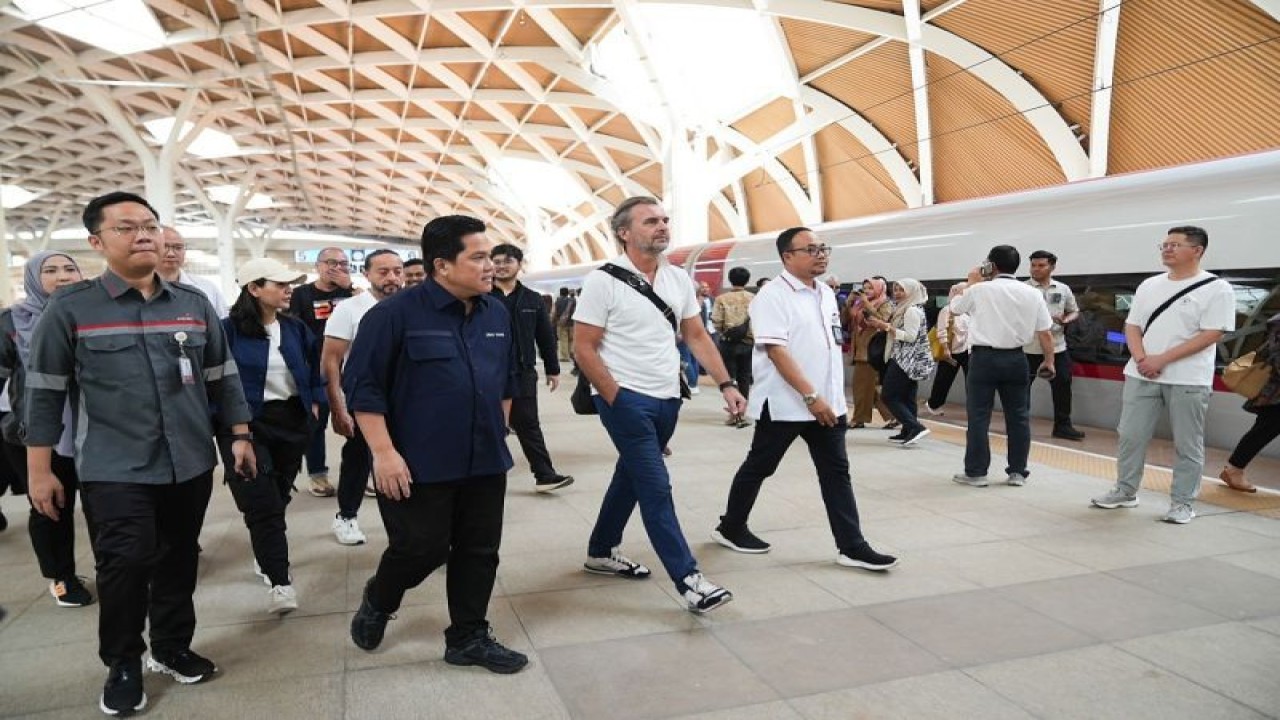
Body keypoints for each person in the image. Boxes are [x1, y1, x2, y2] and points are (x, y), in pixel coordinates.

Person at [25, 192, 255, 716]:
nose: (143, 235)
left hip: (189, 460)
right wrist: (40, 470)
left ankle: (171, 647)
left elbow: (222, 375)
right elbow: (43, 391)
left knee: (179, 556)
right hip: (114, 465)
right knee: (125, 563)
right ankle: (123, 662)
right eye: (126, 227)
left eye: (149, 225)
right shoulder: (72, 308)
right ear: (97, 241)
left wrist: (239, 435)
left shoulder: (191, 304)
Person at [345, 215, 527, 674]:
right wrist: (383, 454)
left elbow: (506, 380)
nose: (491, 266)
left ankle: (468, 637)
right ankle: (380, 598)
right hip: (417, 462)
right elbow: (364, 389)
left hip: (485, 458)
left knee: (479, 550)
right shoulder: (392, 316)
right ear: (442, 265)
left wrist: (499, 430)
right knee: (420, 548)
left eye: (490, 257)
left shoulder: (495, 313)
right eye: (478, 257)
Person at [573, 196, 747, 614]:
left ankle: (601, 550)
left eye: (665, 220)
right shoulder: (602, 281)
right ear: (624, 233)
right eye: (651, 221)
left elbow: (697, 336)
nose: (662, 226)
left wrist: (726, 383)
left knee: (630, 475)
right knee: (655, 486)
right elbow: (584, 347)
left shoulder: (677, 279)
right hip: (626, 398)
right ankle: (690, 581)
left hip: (669, 397)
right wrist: (615, 398)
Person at [711, 227, 897, 571]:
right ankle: (731, 527)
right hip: (785, 404)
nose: (821, 254)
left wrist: (832, 399)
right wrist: (811, 396)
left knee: (836, 473)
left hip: (828, 405)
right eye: (811, 249)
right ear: (787, 257)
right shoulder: (772, 296)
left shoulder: (825, 293)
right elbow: (777, 351)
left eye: (823, 248)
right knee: (760, 467)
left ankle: (852, 546)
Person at [1091, 227, 1235, 523]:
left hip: (1188, 378)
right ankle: (1125, 490)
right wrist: (1142, 359)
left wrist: (1161, 359)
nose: (1167, 249)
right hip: (1141, 374)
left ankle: (1183, 503)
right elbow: (1132, 326)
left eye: (1175, 245)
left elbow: (1212, 333)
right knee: (1130, 436)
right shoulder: (1149, 285)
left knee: (1187, 443)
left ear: (1197, 250)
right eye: (1165, 244)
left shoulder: (1217, 288)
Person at [219, 257, 323, 616]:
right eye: (279, 284)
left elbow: (313, 368)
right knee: (260, 502)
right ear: (254, 288)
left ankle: (266, 550)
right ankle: (280, 580)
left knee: (278, 495)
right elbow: (216, 381)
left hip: (291, 422)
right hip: (244, 426)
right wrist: (232, 428)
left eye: (289, 283)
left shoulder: (294, 328)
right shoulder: (227, 331)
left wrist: (315, 403)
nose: (288, 290)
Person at [0, 251, 95, 608]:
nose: (63, 276)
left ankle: (115, 570)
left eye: (70, 268)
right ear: (32, 279)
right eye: (50, 270)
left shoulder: (92, 314)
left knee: (104, 504)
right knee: (50, 506)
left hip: (91, 427)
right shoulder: (11, 322)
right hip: (34, 432)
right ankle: (62, 578)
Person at [950, 245, 1055, 488]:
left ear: (992, 266)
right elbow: (1045, 332)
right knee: (1019, 417)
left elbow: (955, 308)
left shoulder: (979, 290)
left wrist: (971, 282)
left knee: (978, 416)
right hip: (1017, 359)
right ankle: (1017, 472)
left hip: (983, 360)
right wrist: (1049, 360)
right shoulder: (1032, 293)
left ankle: (976, 472)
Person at [324, 250, 405, 546]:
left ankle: (410, 528)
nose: (392, 277)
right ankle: (346, 515)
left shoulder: (412, 306)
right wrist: (338, 407)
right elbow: (331, 360)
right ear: (367, 274)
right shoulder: (349, 309)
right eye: (383, 272)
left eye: (397, 271)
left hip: (405, 401)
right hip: (363, 401)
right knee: (358, 459)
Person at [490, 243, 574, 493]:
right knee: (489, 424)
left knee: (529, 424)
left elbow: (544, 335)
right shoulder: (481, 296)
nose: (501, 266)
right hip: (489, 372)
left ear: (519, 265)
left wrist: (552, 368)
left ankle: (545, 475)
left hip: (523, 371)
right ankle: (485, 477)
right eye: (497, 261)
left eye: (508, 261)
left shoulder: (532, 299)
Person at [289, 247, 353, 498]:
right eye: (330, 262)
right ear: (317, 266)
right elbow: (293, 329)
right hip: (316, 368)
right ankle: (317, 474)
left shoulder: (352, 293)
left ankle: (365, 472)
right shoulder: (301, 294)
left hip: (349, 365)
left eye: (343, 263)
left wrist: (349, 287)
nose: (337, 268)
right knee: (316, 423)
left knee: (359, 418)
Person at [1024, 250, 1085, 440]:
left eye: (1041, 265)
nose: (1036, 269)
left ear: (1052, 267)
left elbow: (1075, 311)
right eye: (1033, 265)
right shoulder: (1023, 289)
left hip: (1058, 347)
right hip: (1028, 348)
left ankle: (1063, 426)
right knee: (1021, 389)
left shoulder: (1063, 289)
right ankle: (1019, 425)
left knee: (1063, 386)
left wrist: (1066, 319)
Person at [866, 279, 931, 445]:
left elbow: (910, 336)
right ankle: (908, 431)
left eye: (902, 290)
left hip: (905, 359)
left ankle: (915, 427)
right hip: (906, 358)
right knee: (907, 397)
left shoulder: (911, 310)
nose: (897, 293)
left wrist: (886, 327)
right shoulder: (905, 308)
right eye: (895, 289)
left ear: (911, 292)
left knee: (889, 395)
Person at [1221, 312, 1280, 492]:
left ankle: (1234, 469)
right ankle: (1234, 469)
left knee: (1264, 429)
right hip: (1275, 393)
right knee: (1264, 430)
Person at [848, 277, 896, 429]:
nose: (866, 291)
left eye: (870, 288)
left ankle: (859, 419)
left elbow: (882, 320)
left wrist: (866, 304)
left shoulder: (886, 303)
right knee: (870, 388)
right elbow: (846, 322)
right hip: (860, 349)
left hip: (872, 350)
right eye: (864, 288)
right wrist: (849, 303)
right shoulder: (859, 304)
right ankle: (894, 416)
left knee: (861, 387)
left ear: (879, 289)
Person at [711, 266, 754, 428]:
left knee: (730, 379)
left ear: (730, 279)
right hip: (748, 343)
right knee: (745, 377)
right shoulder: (753, 298)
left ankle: (733, 413)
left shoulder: (722, 299)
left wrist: (724, 332)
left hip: (728, 343)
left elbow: (716, 321)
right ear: (747, 280)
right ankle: (742, 411)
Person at [158, 227, 229, 317]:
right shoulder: (143, 289)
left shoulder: (207, 288)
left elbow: (222, 321)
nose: (171, 254)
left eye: (178, 248)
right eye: (165, 247)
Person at [923, 282, 971, 415]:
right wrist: (945, 348)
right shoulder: (947, 310)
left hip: (967, 350)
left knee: (971, 381)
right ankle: (934, 404)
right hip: (950, 350)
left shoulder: (968, 310)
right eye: (965, 291)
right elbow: (942, 330)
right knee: (944, 379)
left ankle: (973, 407)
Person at [552, 287, 575, 362]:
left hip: (561, 323)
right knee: (571, 339)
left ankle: (565, 356)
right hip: (571, 322)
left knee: (563, 339)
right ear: (567, 293)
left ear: (560, 293)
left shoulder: (558, 301)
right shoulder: (572, 300)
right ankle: (571, 354)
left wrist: (553, 321)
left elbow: (554, 312)